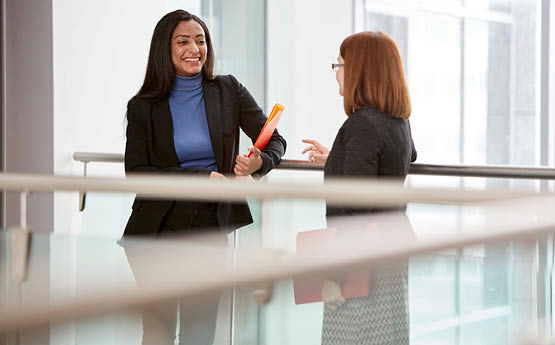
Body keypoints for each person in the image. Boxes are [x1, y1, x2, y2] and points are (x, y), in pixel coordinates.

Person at [121, 9, 286, 345]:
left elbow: (276, 141)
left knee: (200, 335)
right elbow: (137, 173)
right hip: (158, 226)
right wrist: (199, 177)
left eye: (201, 40)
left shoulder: (228, 90)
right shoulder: (143, 106)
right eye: (183, 41)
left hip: (211, 224)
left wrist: (259, 164)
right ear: (164, 50)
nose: (194, 49)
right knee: (158, 333)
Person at [302, 31, 417, 345]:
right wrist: (339, 157)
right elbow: (401, 158)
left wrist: (335, 278)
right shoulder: (398, 120)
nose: (336, 74)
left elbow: (353, 209)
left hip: (362, 257)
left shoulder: (362, 124)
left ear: (359, 71)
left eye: (339, 65)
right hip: (391, 244)